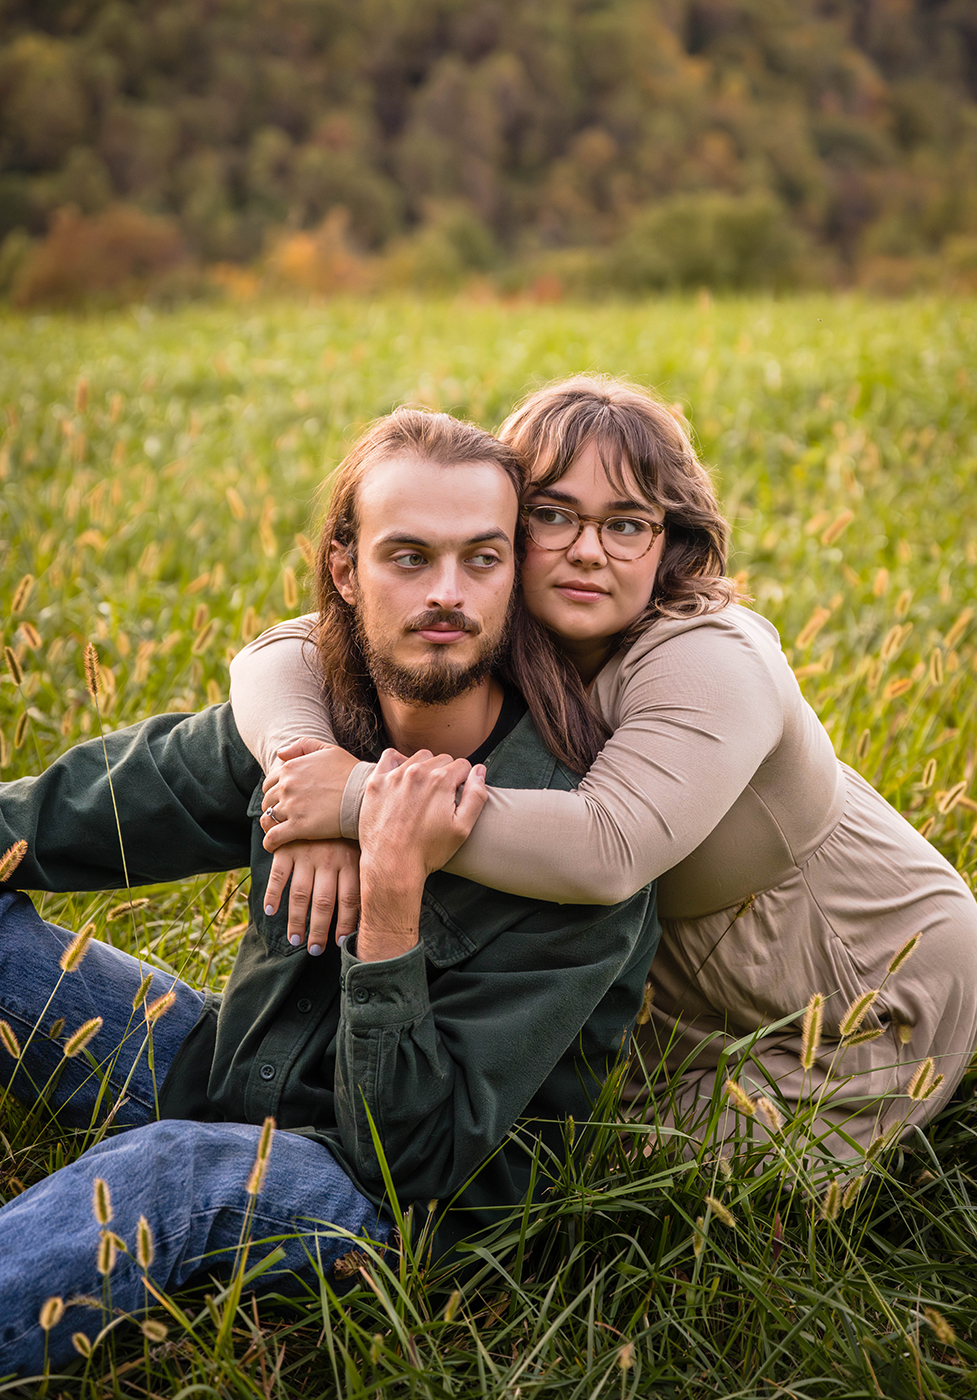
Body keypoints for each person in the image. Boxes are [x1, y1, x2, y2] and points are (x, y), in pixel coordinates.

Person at [0, 407, 658, 1377]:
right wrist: (334, 792)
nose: (448, 593)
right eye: (407, 556)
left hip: (389, 1208)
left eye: (482, 559)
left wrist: (389, 895)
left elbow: (412, 1162)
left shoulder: (573, 842)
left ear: (513, 575)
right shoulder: (307, 735)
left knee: (170, 1170)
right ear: (344, 569)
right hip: (226, 1074)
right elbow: (52, 820)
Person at [231, 375, 977, 1163]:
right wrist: (303, 768)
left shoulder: (710, 655)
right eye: (554, 515)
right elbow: (285, 651)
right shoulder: (497, 610)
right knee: (533, 1153)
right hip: (670, 999)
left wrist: (356, 801)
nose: (587, 551)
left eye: (627, 524)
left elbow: (608, 848)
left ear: (671, 544)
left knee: (639, 1210)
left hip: (854, 988)